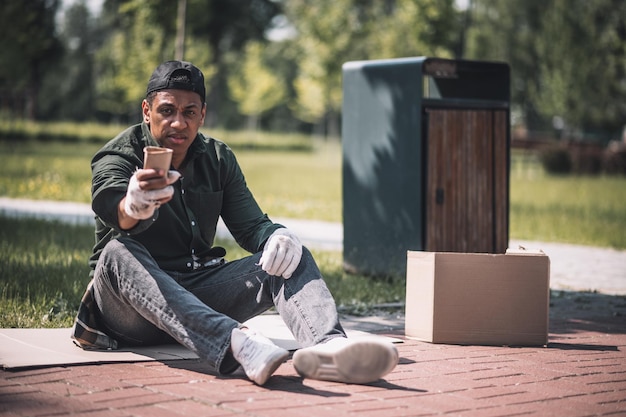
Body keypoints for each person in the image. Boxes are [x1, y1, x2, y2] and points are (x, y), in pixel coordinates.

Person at [72, 60, 398, 386]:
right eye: (167, 110)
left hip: (197, 295)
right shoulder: (119, 155)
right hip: (128, 311)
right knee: (116, 251)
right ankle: (237, 344)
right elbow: (109, 200)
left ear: (202, 114)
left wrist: (277, 235)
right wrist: (132, 205)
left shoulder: (217, 158)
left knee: (290, 251)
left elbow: (251, 226)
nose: (178, 123)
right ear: (147, 110)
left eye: (189, 112)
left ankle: (330, 348)